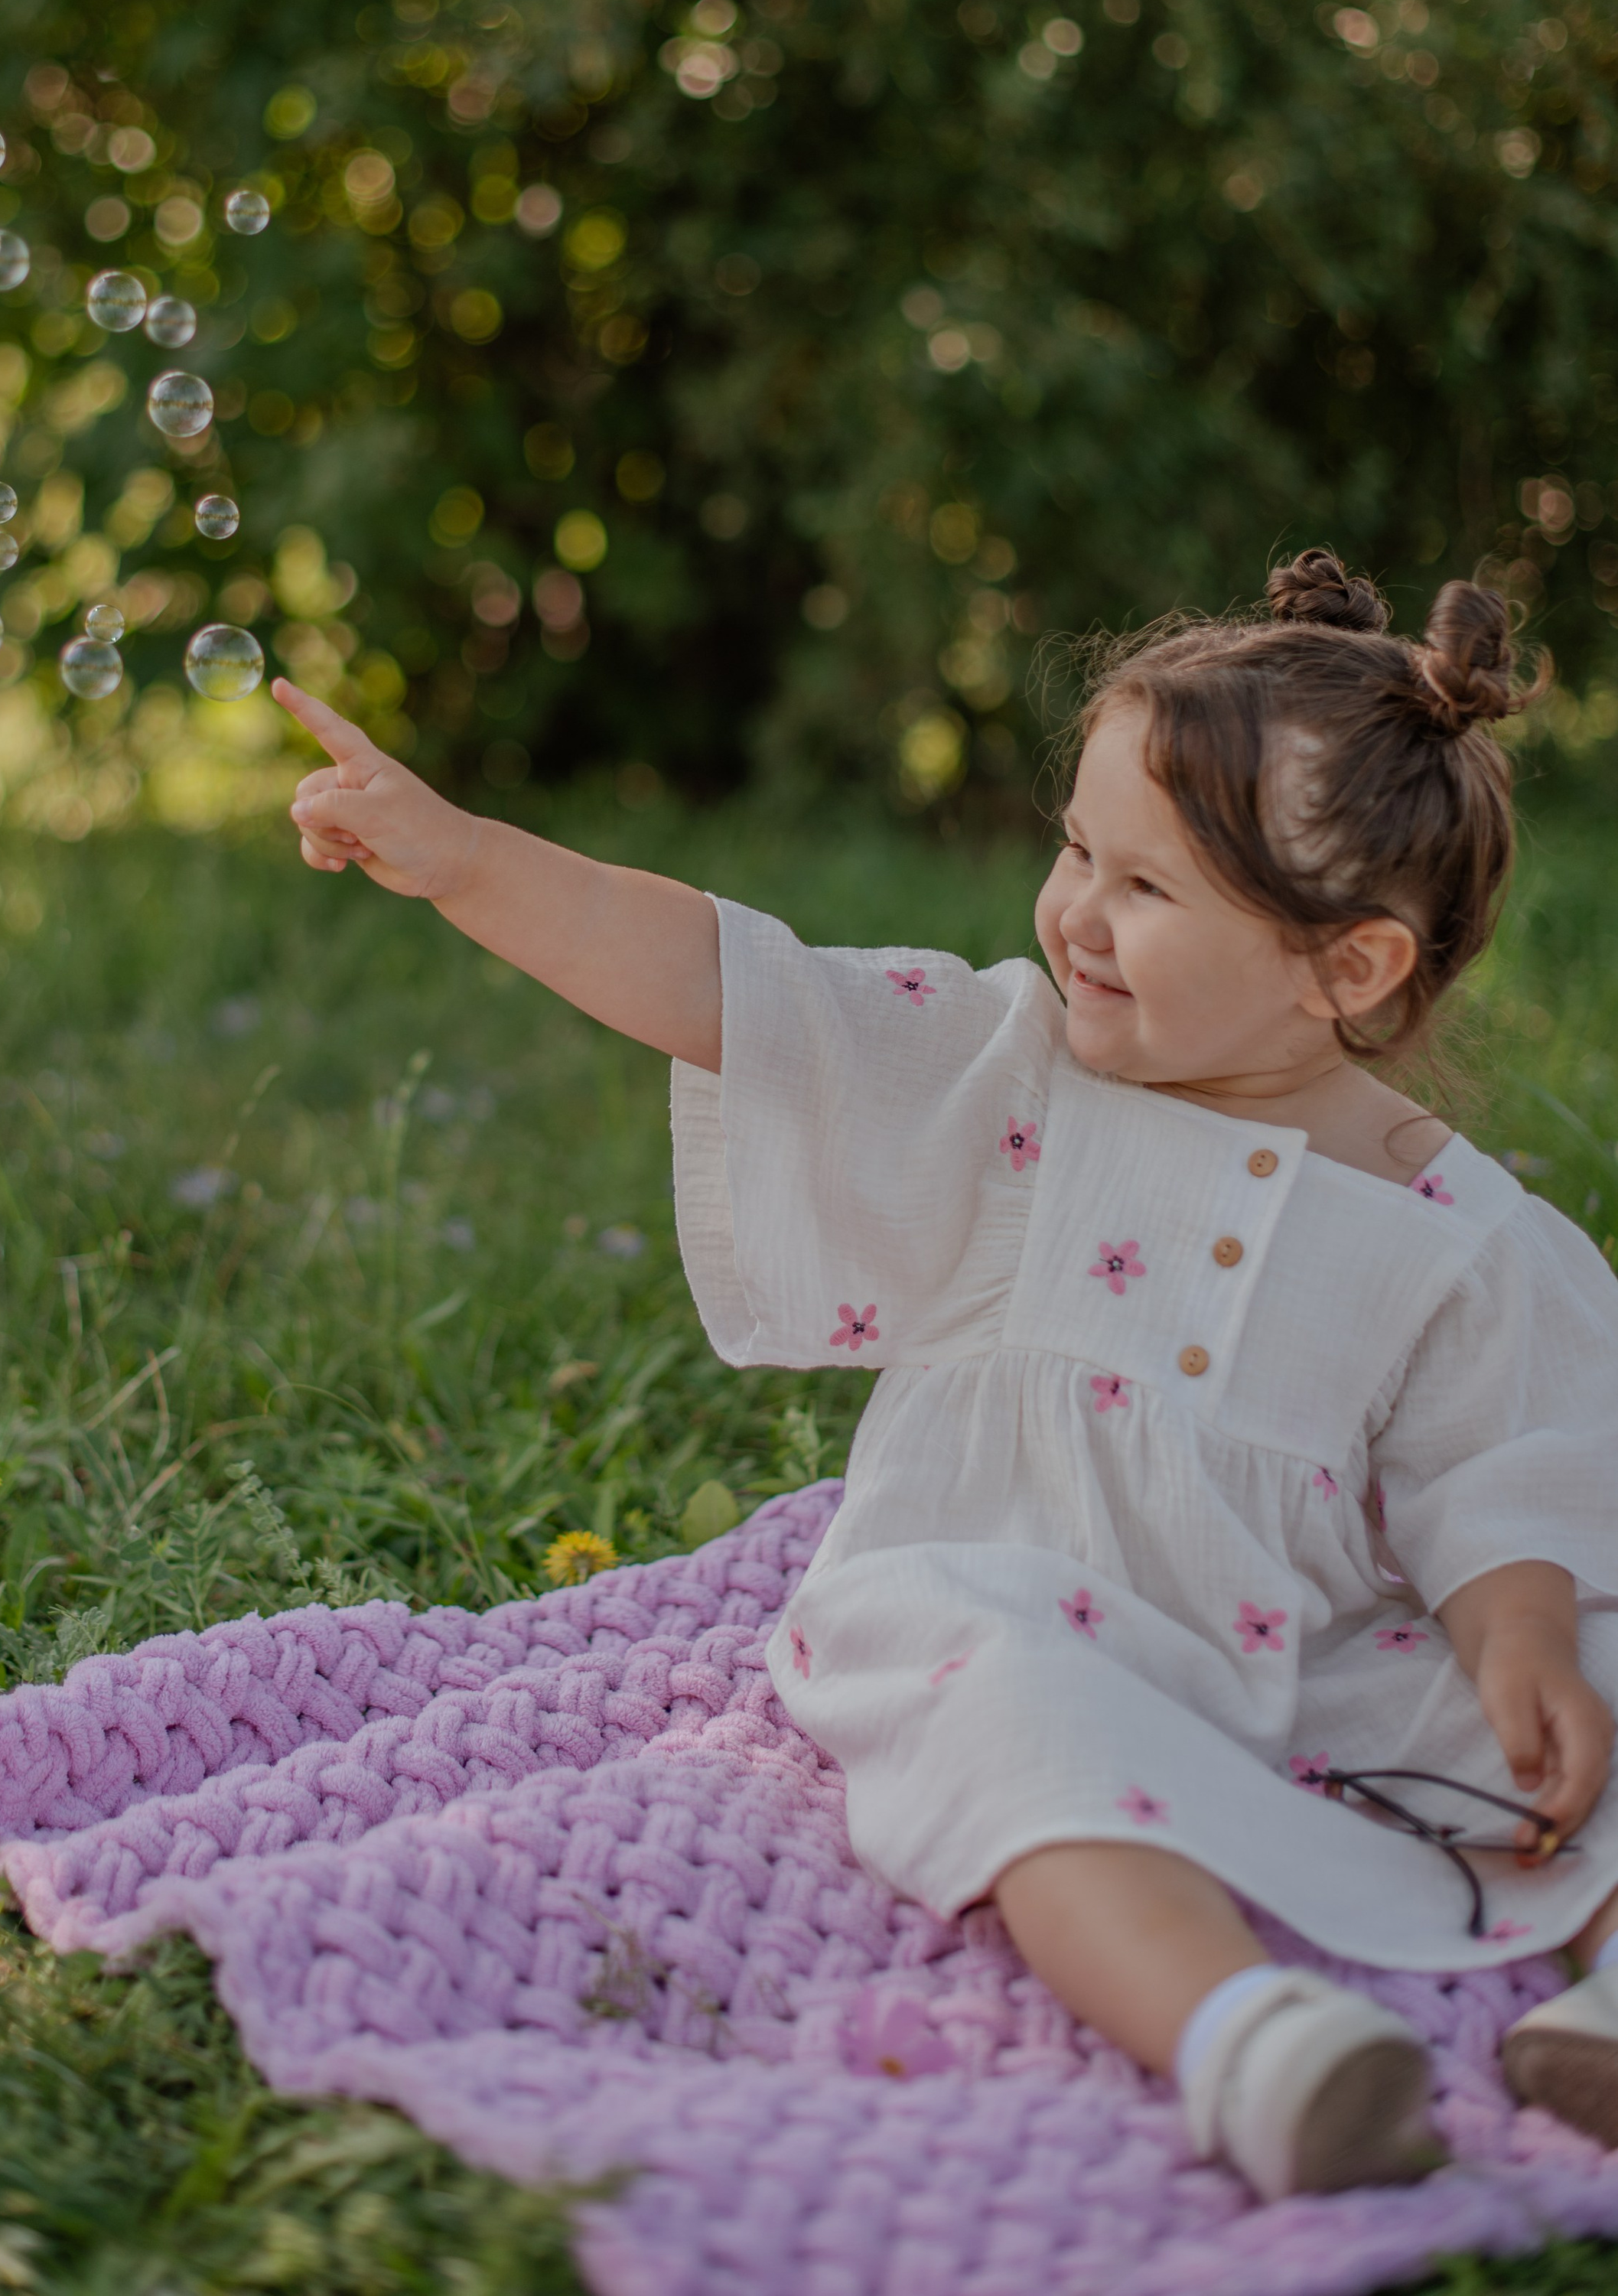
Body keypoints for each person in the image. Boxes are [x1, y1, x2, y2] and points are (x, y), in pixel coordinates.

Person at [272, 547, 1618, 2200]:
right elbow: (721, 983)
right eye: (1074, 849)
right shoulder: (1009, 1078)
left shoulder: (1461, 1236)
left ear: (1345, 967)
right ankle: (1248, 2038)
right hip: (1023, 1596)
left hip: (1313, 1647)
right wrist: (465, 858)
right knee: (1004, 1724)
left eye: (1147, 889)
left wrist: (1521, 1642)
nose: (1072, 914)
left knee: (1600, 1700)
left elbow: (1504, 1475)